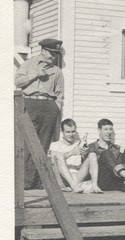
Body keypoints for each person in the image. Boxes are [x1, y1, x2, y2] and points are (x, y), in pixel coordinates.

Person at [15, 38, 65, 189]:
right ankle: (24, 182)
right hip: (30, 103)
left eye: (56, 54)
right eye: (51, 53)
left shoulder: (57, 71)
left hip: (49, 106)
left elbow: (60, 94)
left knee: (43, 144)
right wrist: (35, 75)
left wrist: (56, 109)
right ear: (43, 51)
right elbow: (17, 82)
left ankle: (37, 182)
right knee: (26, 142)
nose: (54, 57)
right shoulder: (28, 64)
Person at [87, 119, 125, 193]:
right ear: (99, 130)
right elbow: (88, 167)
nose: (109, 132)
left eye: (110, 129)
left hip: (117, 180)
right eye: (105, 129)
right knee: (105, 153)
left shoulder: (116, 148)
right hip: (103, 181)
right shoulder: (91, 147)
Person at [49, 118, 102, 194]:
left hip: (77, 177)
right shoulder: (55, 145)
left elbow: (89, 161)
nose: (71, 134)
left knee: (92, 154)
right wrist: (72, 152)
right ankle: (74, 186)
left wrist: (85, 154)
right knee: (58, 155)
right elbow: (51, 162)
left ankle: (94, 185)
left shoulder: (79, 144)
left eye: (73, 132)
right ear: (62, 132)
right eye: (68, 132)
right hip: (62, 180)